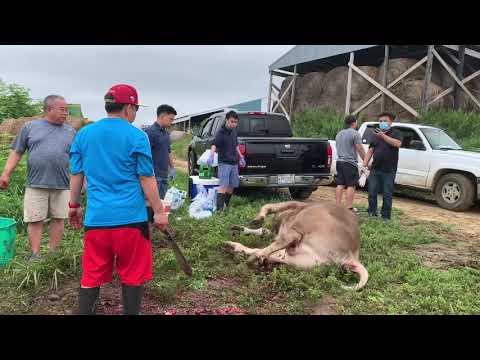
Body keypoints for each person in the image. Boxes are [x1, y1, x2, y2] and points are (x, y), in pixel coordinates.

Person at [68, 84, 169, 315]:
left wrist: (73, 206)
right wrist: (159, 211)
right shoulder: (136, 135)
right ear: (128, 107)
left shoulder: (84, 134)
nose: (135, 113)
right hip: (130, 221)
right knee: (132, 276)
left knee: (91, 275)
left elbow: (76, 174)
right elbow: (146, 177)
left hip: (96, 221)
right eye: (135, 108)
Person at [0, 95, 75, 262]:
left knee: (59, 217)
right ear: (49, 109)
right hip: (36, 183)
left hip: (62, 184)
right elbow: (17, 151)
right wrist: (6, 173)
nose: (66, 113)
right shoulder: (30, 127)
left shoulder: (71, 131)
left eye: (66, 110)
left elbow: (76, 159)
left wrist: (80, 181)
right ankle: (35, 255)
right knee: (35, 218)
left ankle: (53, 253)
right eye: (62, 109)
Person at [363, 112, 402, 221]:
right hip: (375, 169)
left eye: (385, 121)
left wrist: (383, 136)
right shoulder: (375, 135)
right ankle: (372, 212)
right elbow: (370, 151)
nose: (382, 123)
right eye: (380, 121)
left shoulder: (396, 132)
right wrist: (364, 165)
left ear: (390, 122)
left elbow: (397, 144)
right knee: (372, 192)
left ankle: (385, 216)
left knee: (387, 194)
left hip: (389, 170)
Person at [210, 110, 244, 212]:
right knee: (223, 185)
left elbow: (236, 145)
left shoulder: (234, 131)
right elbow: (214, 144)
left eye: (236, 122)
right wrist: (211, 155)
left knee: (232, 185)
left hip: (234, 163)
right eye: (232, 121)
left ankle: (225, 205)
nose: (234, 124)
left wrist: (241, 156)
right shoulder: (221, 132)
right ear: (226, 120)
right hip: (224, 163)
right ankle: (219, 210)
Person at [144, 104, 177, 200]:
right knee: (152, 203)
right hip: (154, 175)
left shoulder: (166, 134)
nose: (172, 122)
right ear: (162, 116)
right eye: (170, 119)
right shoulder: (150, 132)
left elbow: (168, 152)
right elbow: (144, 155)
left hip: (164, 175)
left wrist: (172, 168)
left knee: (161, 201)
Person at [334, 115, 366, 213]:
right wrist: (366, 160)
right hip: (350, 163)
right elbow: (359, 148)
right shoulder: (355, 134)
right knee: (351, 185)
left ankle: (337, 206)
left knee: (340, 184)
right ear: (354, 123)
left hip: (339, 162)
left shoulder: (339, 133)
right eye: (356, 122)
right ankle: (349, 207)